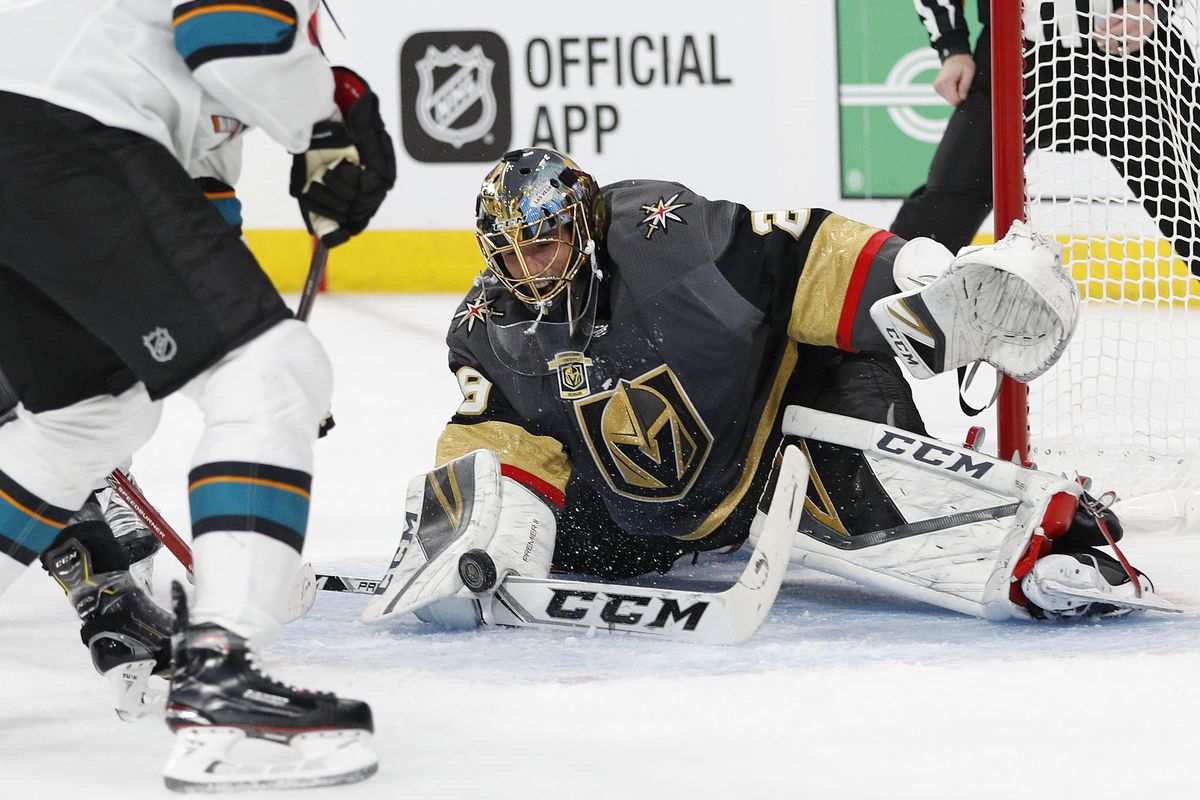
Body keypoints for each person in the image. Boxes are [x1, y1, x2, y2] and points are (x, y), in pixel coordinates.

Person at [362, 147, 1169, 634]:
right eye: (512, 254)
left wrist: (918, 279)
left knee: (875, 507)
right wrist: (468, 528)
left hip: (787, 415)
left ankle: (1049, 535)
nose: (530, 268)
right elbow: (495, 440)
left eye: (546, 244)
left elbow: (800, 257)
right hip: (665, 515)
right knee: (532, 541)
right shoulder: (488, 327)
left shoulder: (664, 237)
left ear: (584, 221)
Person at [0, 0, 395, 791]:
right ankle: (224, 683)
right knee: (274, 369)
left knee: (89, 417)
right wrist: (329, 119)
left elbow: (188, 205)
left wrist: (317, 132)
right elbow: (227, 34)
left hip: (35, 148)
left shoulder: (116, 39)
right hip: (65, 137)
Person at [895, 1, 1200, 275]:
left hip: (1132, 50)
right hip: (1015, 55)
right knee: (942, 211)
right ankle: (873, 324)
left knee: (1191, 197)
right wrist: (952, 46)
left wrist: (1153, 7)